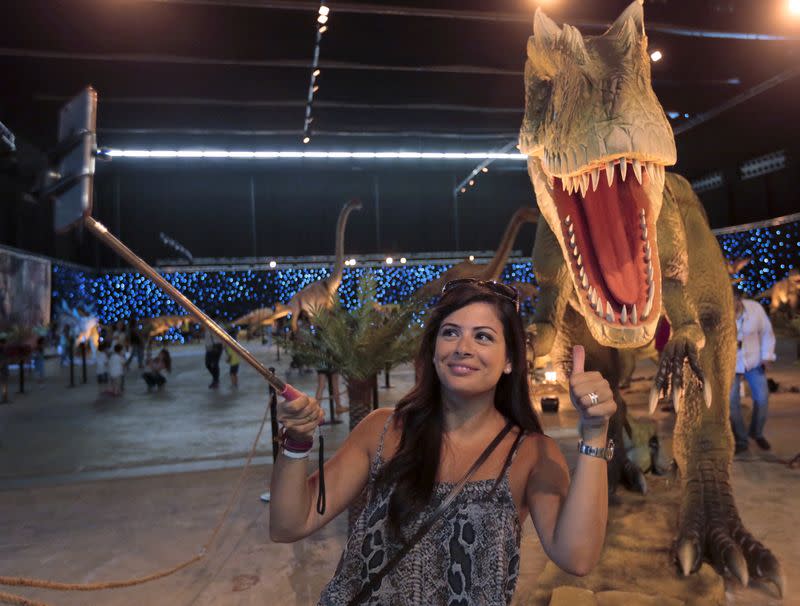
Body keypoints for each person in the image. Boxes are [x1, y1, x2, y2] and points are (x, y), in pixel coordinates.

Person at [270, 279, 616, 604]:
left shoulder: (532, 454)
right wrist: (297, 444)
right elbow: (290, 524)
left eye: (483, 337)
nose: (463, 348)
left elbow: (577, 556)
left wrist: (595, 432)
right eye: (450, 333)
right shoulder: (383, 430)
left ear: (510, 360)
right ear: (434, 351)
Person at [730, 291, 776, 454]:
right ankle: (741, 439)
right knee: (731, 402)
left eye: (732, 301)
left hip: (754, 361)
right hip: (730, 364)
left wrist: (767, 356)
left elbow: (767, 333)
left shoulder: (755, 309)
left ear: (739, 300)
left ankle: (756, 433)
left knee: (762, 398)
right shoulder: (721, 312)